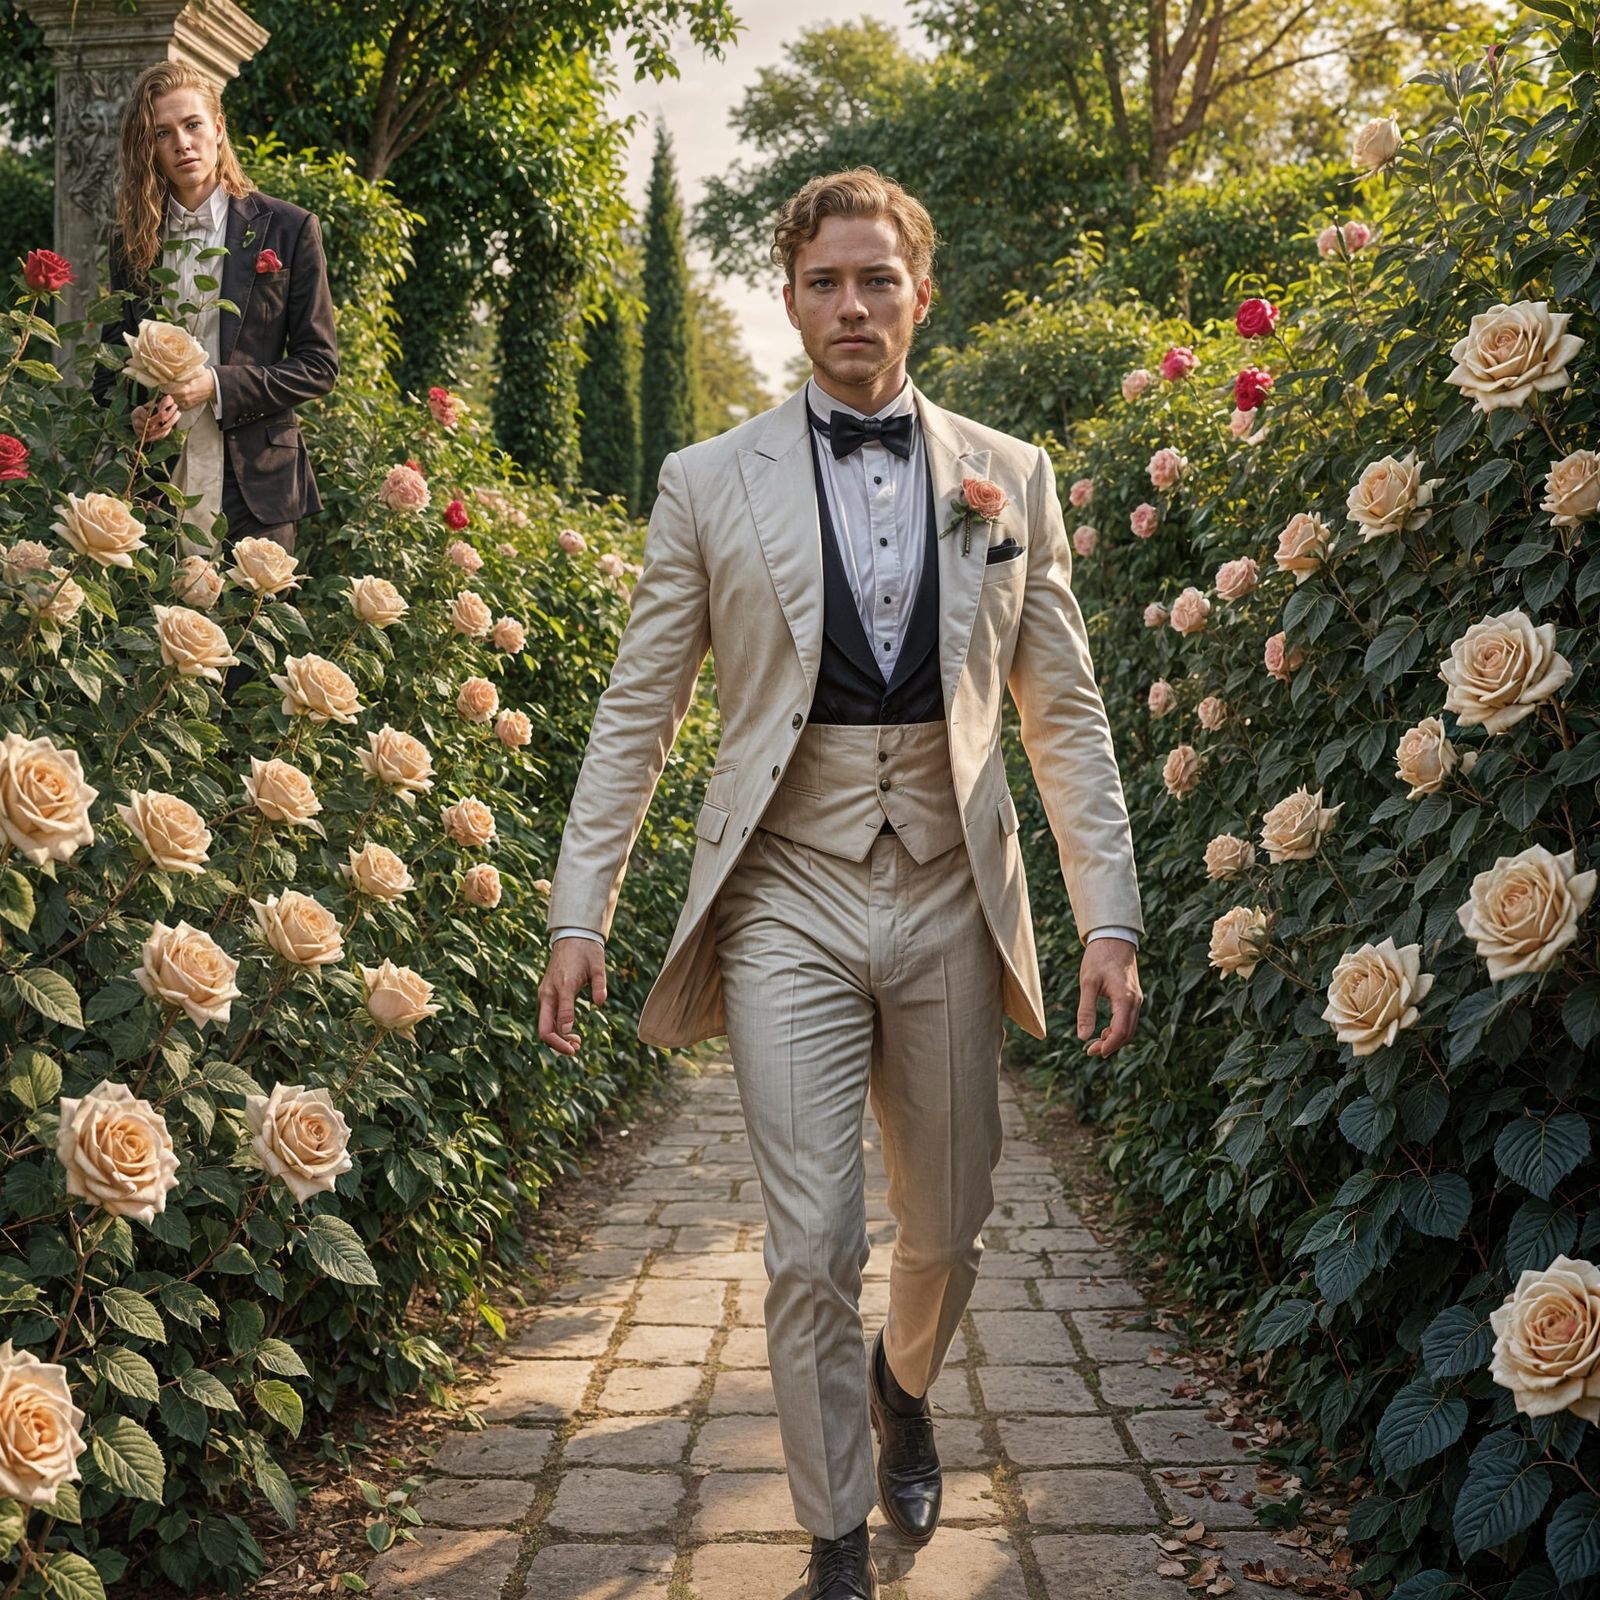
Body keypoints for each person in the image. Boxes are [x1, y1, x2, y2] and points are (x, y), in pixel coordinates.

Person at [537, 168, 1143, 1600]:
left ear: (920, 295)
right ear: (790, 296)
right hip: (785, 897)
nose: (853, 305)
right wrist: (581, 911)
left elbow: (1064, 708)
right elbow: (639, 711)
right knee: (810, 1240)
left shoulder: (1011, 476)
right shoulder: (705, 482)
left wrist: (1106, 911)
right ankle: (829, 1543)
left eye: (878, 279)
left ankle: (904, 1381)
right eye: (825, 281)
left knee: (949, 1223)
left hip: (948, 889)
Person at [95, 61, 338, 559]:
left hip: (258, 488)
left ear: (219, 128)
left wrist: (217, 385)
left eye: (192, 125)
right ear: (150, 149)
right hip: (159, 486)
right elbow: (110, 369)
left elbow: (319, 366)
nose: (182, 143)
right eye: (163, 133)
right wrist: (135, 413)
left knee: (249, 636)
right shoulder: (131, 242)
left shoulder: (289, 229)